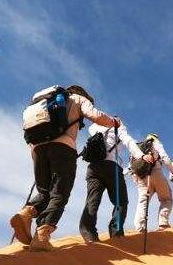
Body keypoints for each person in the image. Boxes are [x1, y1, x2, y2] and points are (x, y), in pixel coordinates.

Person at [11, 85, 119, 252]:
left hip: (36, 147)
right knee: (60, 193)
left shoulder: (45, 100)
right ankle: (42, 237)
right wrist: (113, 122)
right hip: (63, 146)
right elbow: (95, 115)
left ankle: (26, 213)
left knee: (44, 191)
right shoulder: (77, 99)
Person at [79, 121, 152, 243]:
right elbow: (128, 141)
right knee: (121, 201)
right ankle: (116, 232)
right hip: (111, 167)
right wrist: (141, 155)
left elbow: (92, 128)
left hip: (93, 167)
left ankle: (88, 234)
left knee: (92, 200)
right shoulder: (118, 127)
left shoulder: (95, 127)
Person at [131, 133, 173, 232]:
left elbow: (133, 165)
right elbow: (165, 158)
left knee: (143, 201)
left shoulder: (138, 146)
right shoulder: (156, 143)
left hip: (141, 176)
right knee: (166, 198)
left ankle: (140, 227)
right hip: (156, 172)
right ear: (155, 137)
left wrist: (136, 180)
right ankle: (163, 223)